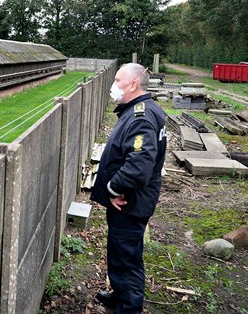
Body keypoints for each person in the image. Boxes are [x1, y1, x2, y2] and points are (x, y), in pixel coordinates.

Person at [90, 63, 167, 313]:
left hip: (130, 203)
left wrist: (113, 188)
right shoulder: (139, 109)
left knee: (127, 258)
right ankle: (121, 295)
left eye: (118, 80)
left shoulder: (141, 116)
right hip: (131, 201)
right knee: (120, 251)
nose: (114, 85)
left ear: (133, 84)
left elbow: (139, 166)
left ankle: (129, 306)